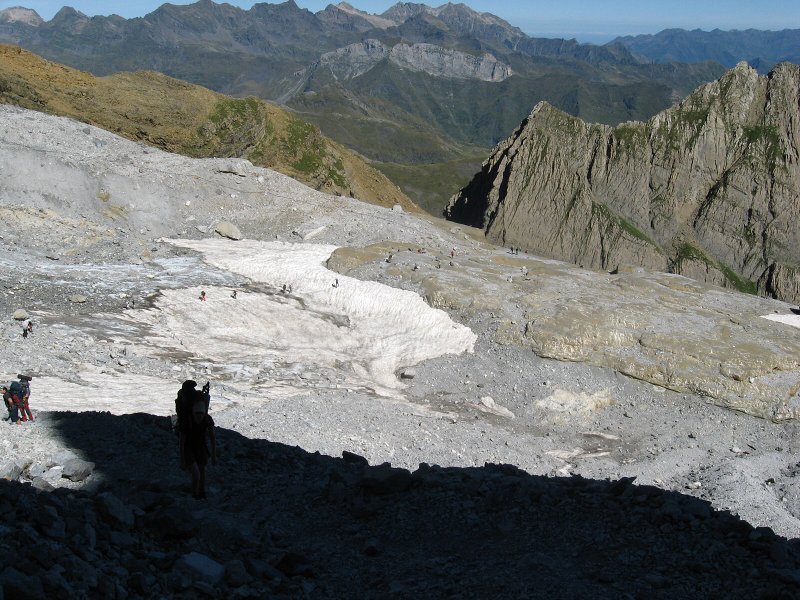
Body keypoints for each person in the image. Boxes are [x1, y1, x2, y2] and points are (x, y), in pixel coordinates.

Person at [180, 393, 217, 499]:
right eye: (197, 414)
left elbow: (212, 438)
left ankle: (201, 492)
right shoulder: (187, 421)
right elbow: (182, 442)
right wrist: (182, 460)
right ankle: (195, 494)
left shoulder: (206, 420)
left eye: (201, 414)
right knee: (197, 473)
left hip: (200, 447)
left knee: (202, 471)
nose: (199, 416)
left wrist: (214, 455)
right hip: (189, 448)